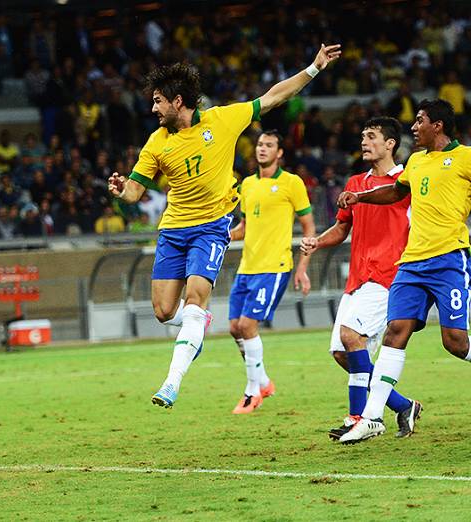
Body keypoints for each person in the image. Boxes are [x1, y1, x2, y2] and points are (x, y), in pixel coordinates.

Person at [108, 44, 341, 408]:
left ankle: (171, 382)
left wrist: (313, 68)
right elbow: (136, 191)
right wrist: (123, 190)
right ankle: (195, 322)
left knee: (195, 298)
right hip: (173, 230)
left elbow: (273, 97)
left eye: (158, 101)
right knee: (163, 311)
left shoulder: (223, 119)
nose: (153, 109)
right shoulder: (156, 142)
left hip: (211, 226)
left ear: (178, 100)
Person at [337, 100, 471, 444]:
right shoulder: (416, 162)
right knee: (395, 332)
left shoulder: (468, 157)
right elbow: (394, 191)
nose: (413, 127)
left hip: (450, 260)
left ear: (439, 125)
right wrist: (361, 197)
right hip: (412, 262)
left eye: (420, 121)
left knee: (455, 342)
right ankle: (372, 417)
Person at [299, 117, 421, 439]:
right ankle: (403, 405)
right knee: (343, 352)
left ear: (390, 144)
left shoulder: (406, 182)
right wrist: (317, 242)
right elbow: (342, 228)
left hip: (389, 275)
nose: (364, 142)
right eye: (363, 136)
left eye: (371, 136)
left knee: (352, 336)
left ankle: (360, 418)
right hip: (357, 278)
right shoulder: (354, 183)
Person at [226, 130, 315, 414]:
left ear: (279, 153)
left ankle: (252, 393)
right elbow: (244, 228)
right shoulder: (247, 186)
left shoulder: (292, 183)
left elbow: (309, 229)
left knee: (248, 326)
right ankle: (263, 381)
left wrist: (302, 267)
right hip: (247, 267)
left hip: (274, 267)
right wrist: (221, 235)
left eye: (269, 145)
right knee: (234, 328)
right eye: (260, 145)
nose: (262, 149)